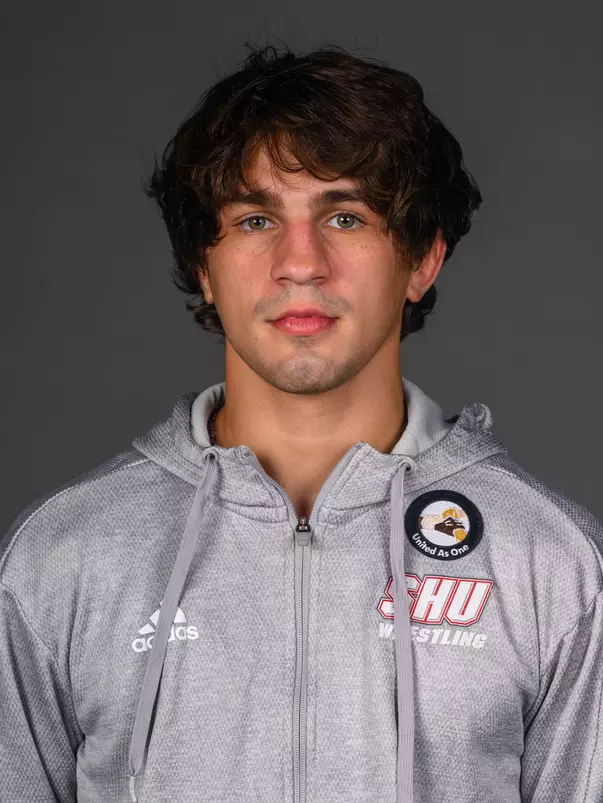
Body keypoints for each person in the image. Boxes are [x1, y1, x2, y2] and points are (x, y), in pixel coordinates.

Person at [1, 41, 601, 803]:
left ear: (421, 259)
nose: (300, 262)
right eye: (254, 219)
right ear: (202, 267)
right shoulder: (64, 555)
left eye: (345, 215)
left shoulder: (550, 561)